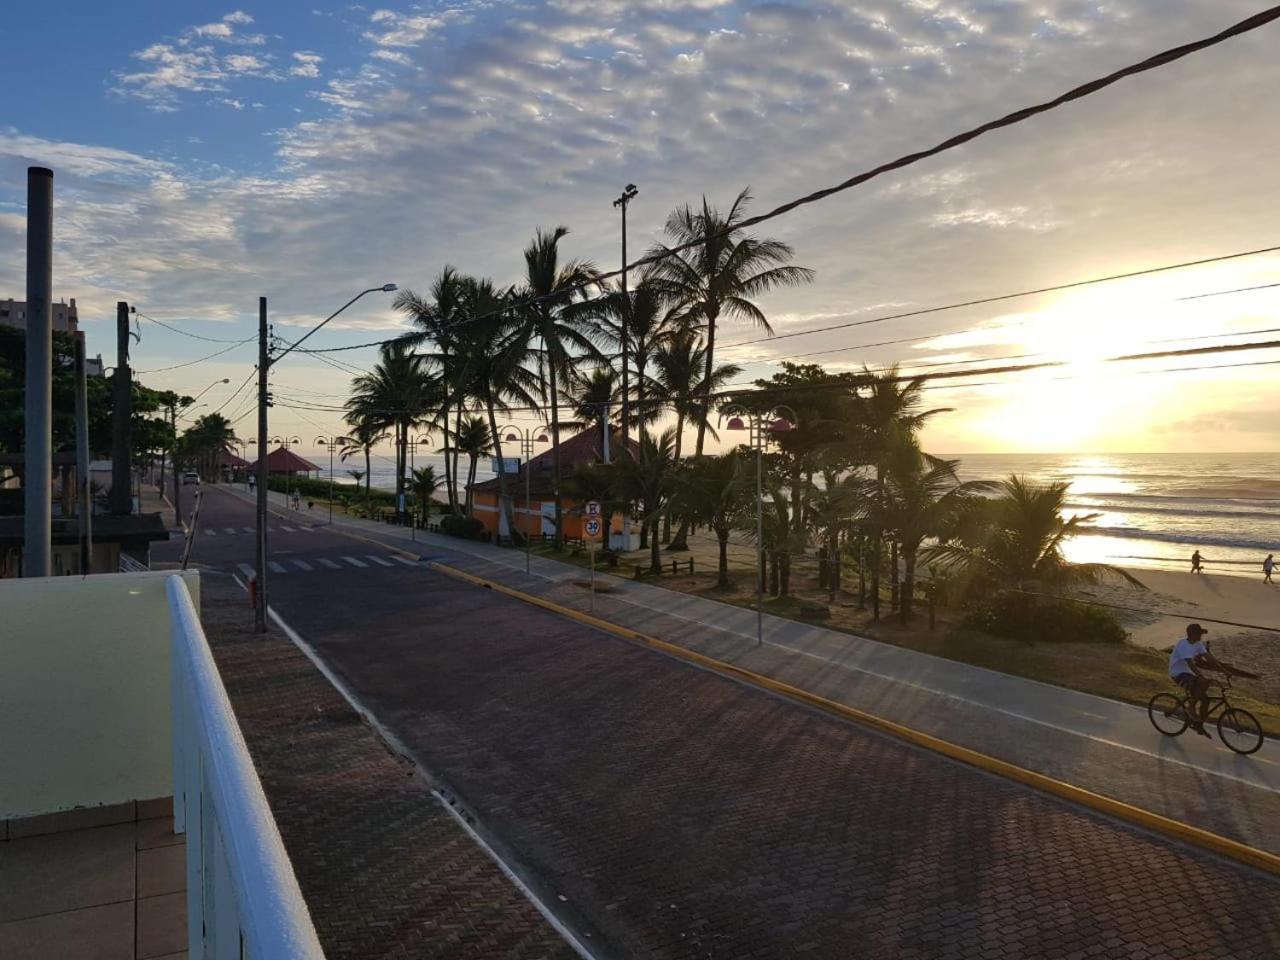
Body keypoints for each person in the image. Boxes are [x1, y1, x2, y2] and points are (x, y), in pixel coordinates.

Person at [1168, 623, 1257, 736]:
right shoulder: (1183, 645)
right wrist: (1201, 676)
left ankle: (1198, 724)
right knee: (1203, 682)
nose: (1201, 636)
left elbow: (1210, 659)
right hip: (1178, 673)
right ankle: (1191, 707)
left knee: (1206, 700)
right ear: (1193, 634)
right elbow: (1191, 665)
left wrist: (1225, 671)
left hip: (1188, 674)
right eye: (1199, 633)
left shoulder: (1198, 644)